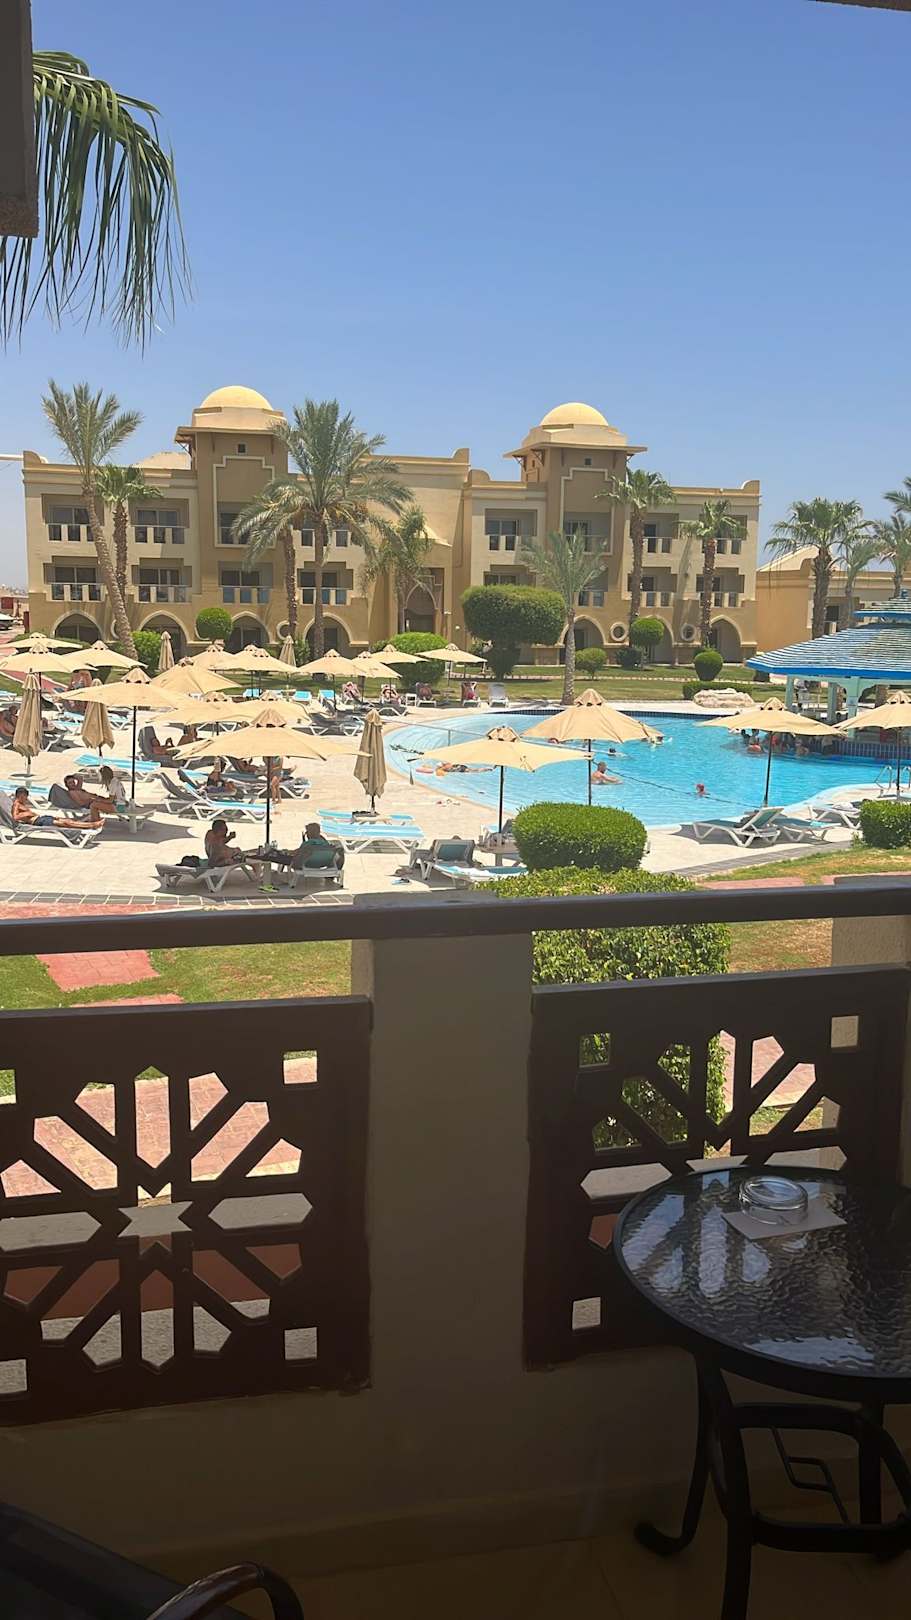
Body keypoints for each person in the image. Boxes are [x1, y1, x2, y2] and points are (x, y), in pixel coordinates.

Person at [11, 784, 100, 831]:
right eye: (23, 797)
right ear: (19, 796)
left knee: (67, 820)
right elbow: (15, 817)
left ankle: (91, 824)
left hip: (41, 818)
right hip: (38, 821)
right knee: (66, 823)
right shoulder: (16, 804)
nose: (25, 799)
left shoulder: (20, 803)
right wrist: (27, 813)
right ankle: (92, 825)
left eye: (25, 796)